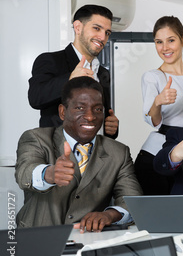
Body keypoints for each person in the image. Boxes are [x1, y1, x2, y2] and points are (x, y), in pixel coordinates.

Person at [16, 77, 142, 232]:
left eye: (97, 109)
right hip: (38, 239)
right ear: (63, 112)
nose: (90, 117)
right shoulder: (37, 139)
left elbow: (132, 200)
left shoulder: (118, 152)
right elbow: (24, 174)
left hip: (89, 242)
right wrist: (49, 174)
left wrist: (110, 215)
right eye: (80, 108)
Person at [28, 4, 119, 139]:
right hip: (59, 152)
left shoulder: (102, 73)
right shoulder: (50, 60)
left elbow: (103, 115)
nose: (102, 37)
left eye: (107, 32)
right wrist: (70, 78)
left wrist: (111, 128)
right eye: (96, 28)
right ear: (78, 27)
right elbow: (35, 98)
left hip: (95, 154)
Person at [135, 16, 183, 195]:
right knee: (157, 214)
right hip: (157, 155)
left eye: (170, 40)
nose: (164, 48)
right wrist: (158, 101)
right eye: (159, 42)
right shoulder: (153, 77)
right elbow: (154, 121)